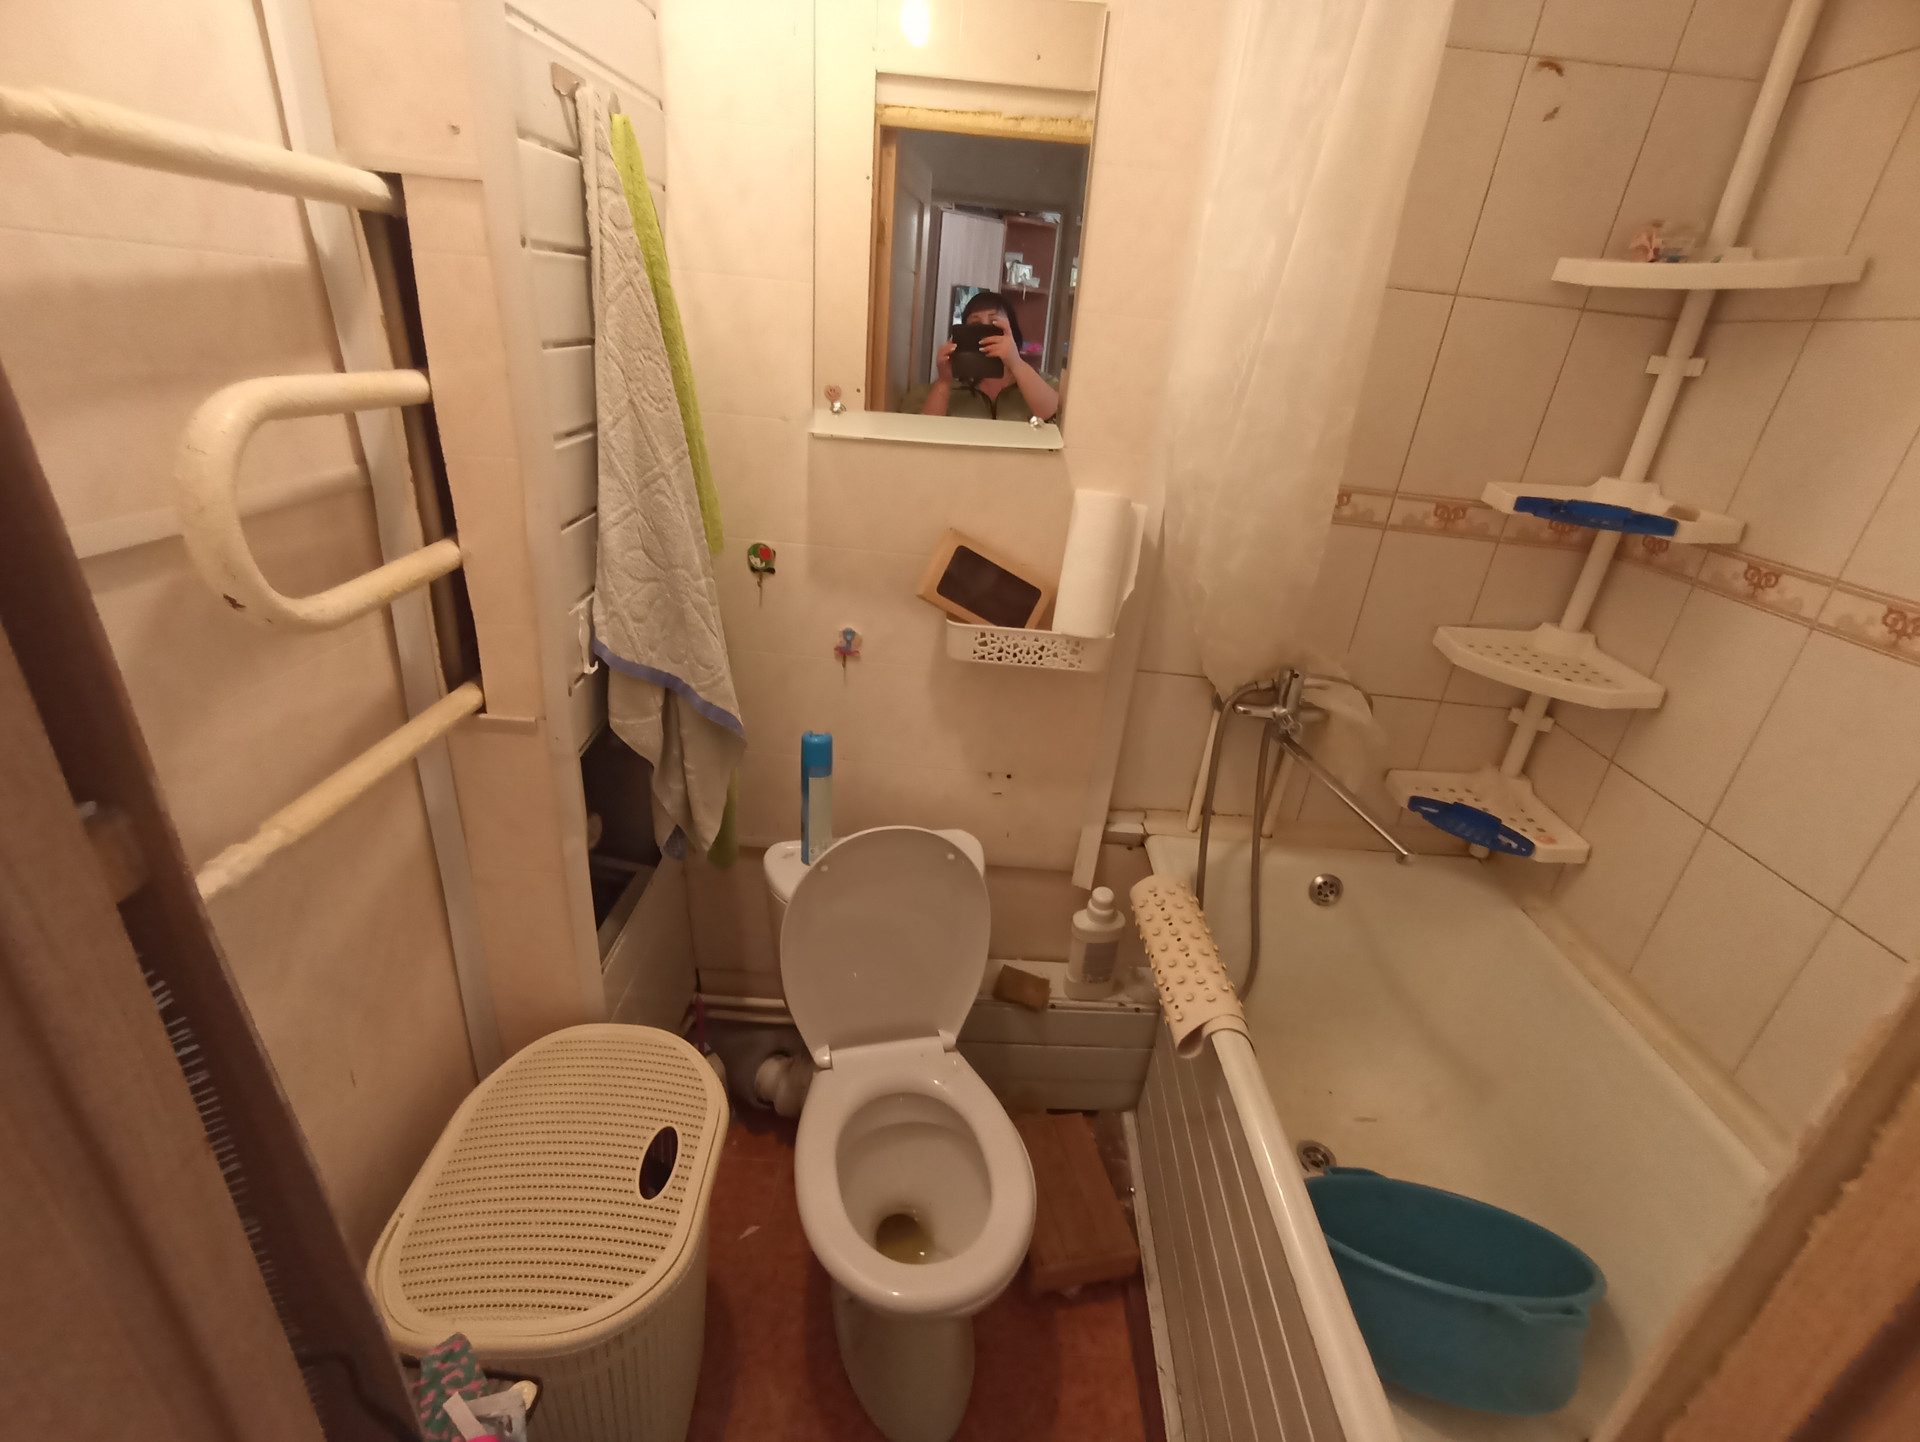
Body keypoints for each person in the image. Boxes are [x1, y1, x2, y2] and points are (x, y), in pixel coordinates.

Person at [900, 290, 1062, 423]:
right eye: (976, 325)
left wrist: (1016, 363)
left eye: (994, 324)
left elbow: (1057, 417)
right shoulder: (944, 389)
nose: (985, 332)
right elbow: (923, 434)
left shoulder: (1042, 384)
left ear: (1012, 333)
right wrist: (944, 382)